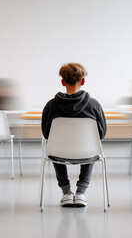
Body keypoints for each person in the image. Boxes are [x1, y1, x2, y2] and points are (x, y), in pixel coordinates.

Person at [41, 63, 107, 207]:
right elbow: (101, 135)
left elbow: (47, 135)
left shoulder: (51, 106)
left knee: (53, 145)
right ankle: (81, 193)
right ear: (83, 81)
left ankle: (66, 193)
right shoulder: (94, 105)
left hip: (58, 154)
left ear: (62, 82)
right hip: (87, 154)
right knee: (91, 144)